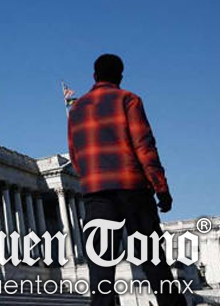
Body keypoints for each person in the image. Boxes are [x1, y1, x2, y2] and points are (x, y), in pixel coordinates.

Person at [68, 54, 186, 306]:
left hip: (97, 195)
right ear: (120, 76)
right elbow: (144, 146)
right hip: (133, 190)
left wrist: (91, 180)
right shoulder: (128, 100)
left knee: (101, 270)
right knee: (153, 261)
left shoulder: (76, 109)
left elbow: (75, 155)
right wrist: (161, 188)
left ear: (94, 75)